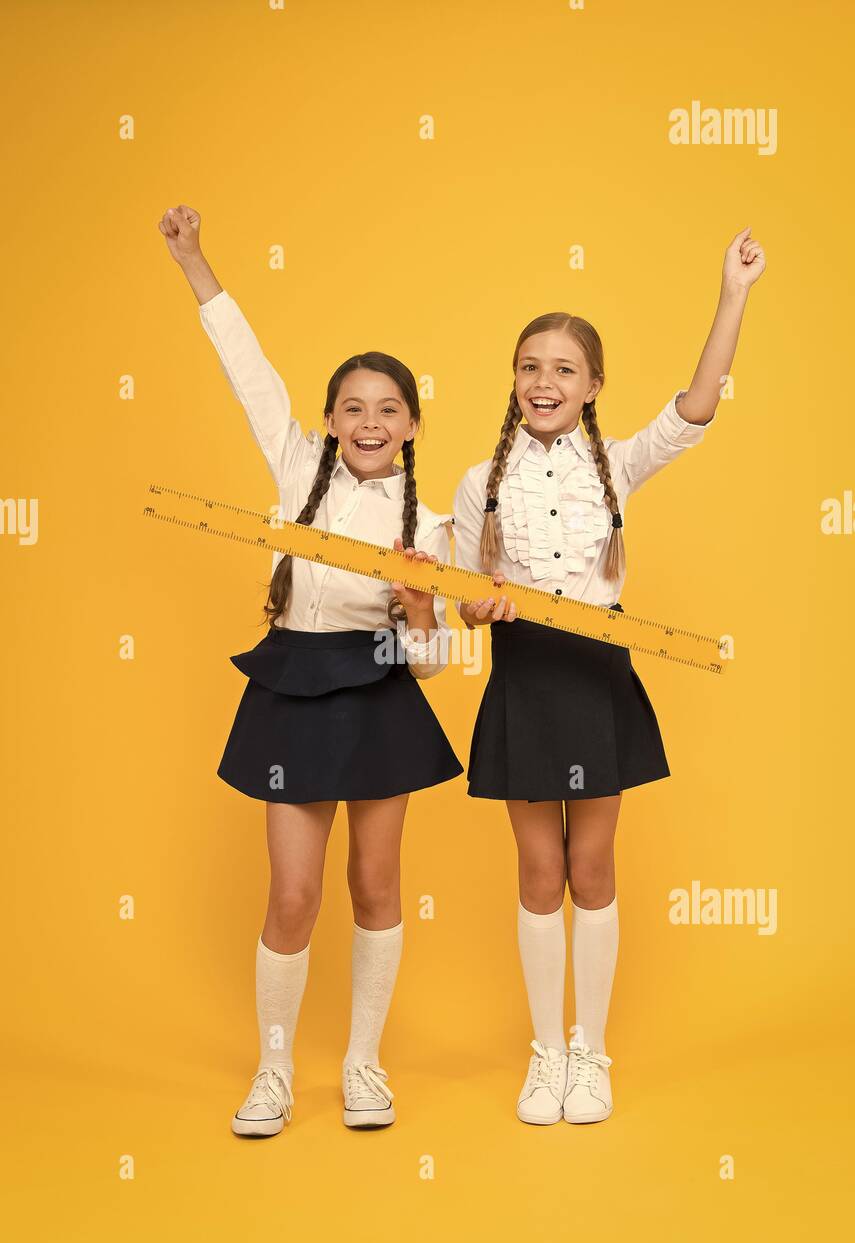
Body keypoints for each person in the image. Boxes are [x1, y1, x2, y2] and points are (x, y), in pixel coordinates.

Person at [158, 204, 462, 1137]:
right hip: (292, 687)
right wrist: (196, 263)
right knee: (292, 892)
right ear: (330, 422)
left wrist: (419, 608)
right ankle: (275, 1072)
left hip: (377, 693)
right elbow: (248, 372)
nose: (369, 422)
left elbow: (441, 659)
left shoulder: (434, 529)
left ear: (410, 426)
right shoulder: (297, 474)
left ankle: (364, 1067)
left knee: (375, 886)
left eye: (388, 410)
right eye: (352, 408)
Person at [452, 227, 766, 1125]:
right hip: (520, 681)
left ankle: (591, 1051)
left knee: (591, 867)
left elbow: (698, 404)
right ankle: (543, 1054)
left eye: (561, 369)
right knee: (537, 872)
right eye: (527, 367)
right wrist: (479, 607)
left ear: (591, 387)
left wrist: (731, 294)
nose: (541, 383)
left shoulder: (616, 465)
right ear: (513, 382)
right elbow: (463, 596)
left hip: (594, 679)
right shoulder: (480, 482)